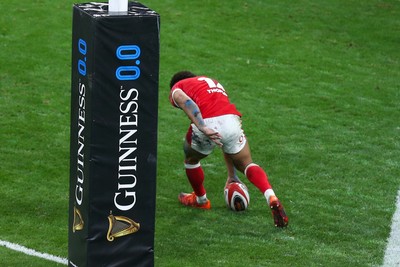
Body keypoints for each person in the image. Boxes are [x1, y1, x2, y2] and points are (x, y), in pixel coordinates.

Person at [169, 71, 289, 227]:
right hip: (231, 120)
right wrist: (232, 175)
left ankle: (201, 200)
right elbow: (222, 129)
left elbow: (186, 102)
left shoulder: (177, 87)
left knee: (191, 159)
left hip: (206, 122)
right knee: (246, 164)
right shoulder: (210, 81)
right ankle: (271, 197)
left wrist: (202, 127)